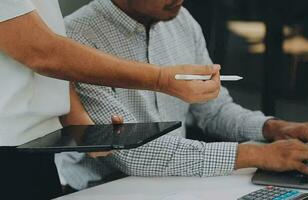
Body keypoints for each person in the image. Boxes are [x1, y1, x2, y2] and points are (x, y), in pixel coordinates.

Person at [56, 0, 308, 191]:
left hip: (176, 182)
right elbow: (134, 155)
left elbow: (212, 109)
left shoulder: (181, 21)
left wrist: (272, 127)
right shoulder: (75, 39)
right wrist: (258, 154)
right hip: (105, 189)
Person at [0, 0, 221, 199]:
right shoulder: (83, 28)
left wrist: (76, 118)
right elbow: (42, 52)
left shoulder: (184, 24)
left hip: (35, 151)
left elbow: (38, 56)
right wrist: (160, 78)